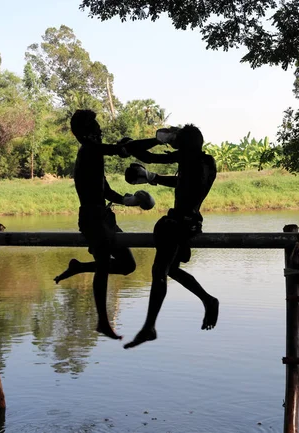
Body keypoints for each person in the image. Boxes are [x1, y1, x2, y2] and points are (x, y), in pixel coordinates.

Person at [53, 109, 157, 340]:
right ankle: (102, 321)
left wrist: (129, 201)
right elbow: (121, 150)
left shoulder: (94, 153)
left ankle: (79, 267)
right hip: (91, 219)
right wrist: (159, 140)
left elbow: (106, 190)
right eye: (95, 128)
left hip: (105, 217)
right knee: (102, 264)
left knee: (128, 265)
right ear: (85, 134)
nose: (100, 131)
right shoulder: (89, 150)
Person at [122, 124, 219, 349]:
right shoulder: (205, 162)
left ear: (182, 146)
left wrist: (158, 139)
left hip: (179, 224)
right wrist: (152, 177)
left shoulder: (188, 161)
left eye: (176, 143)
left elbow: (141, 153)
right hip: (192, 222)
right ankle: (208, 300)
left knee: (159, 270)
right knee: (170, 269)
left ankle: (149, 327)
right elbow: (181, 183)